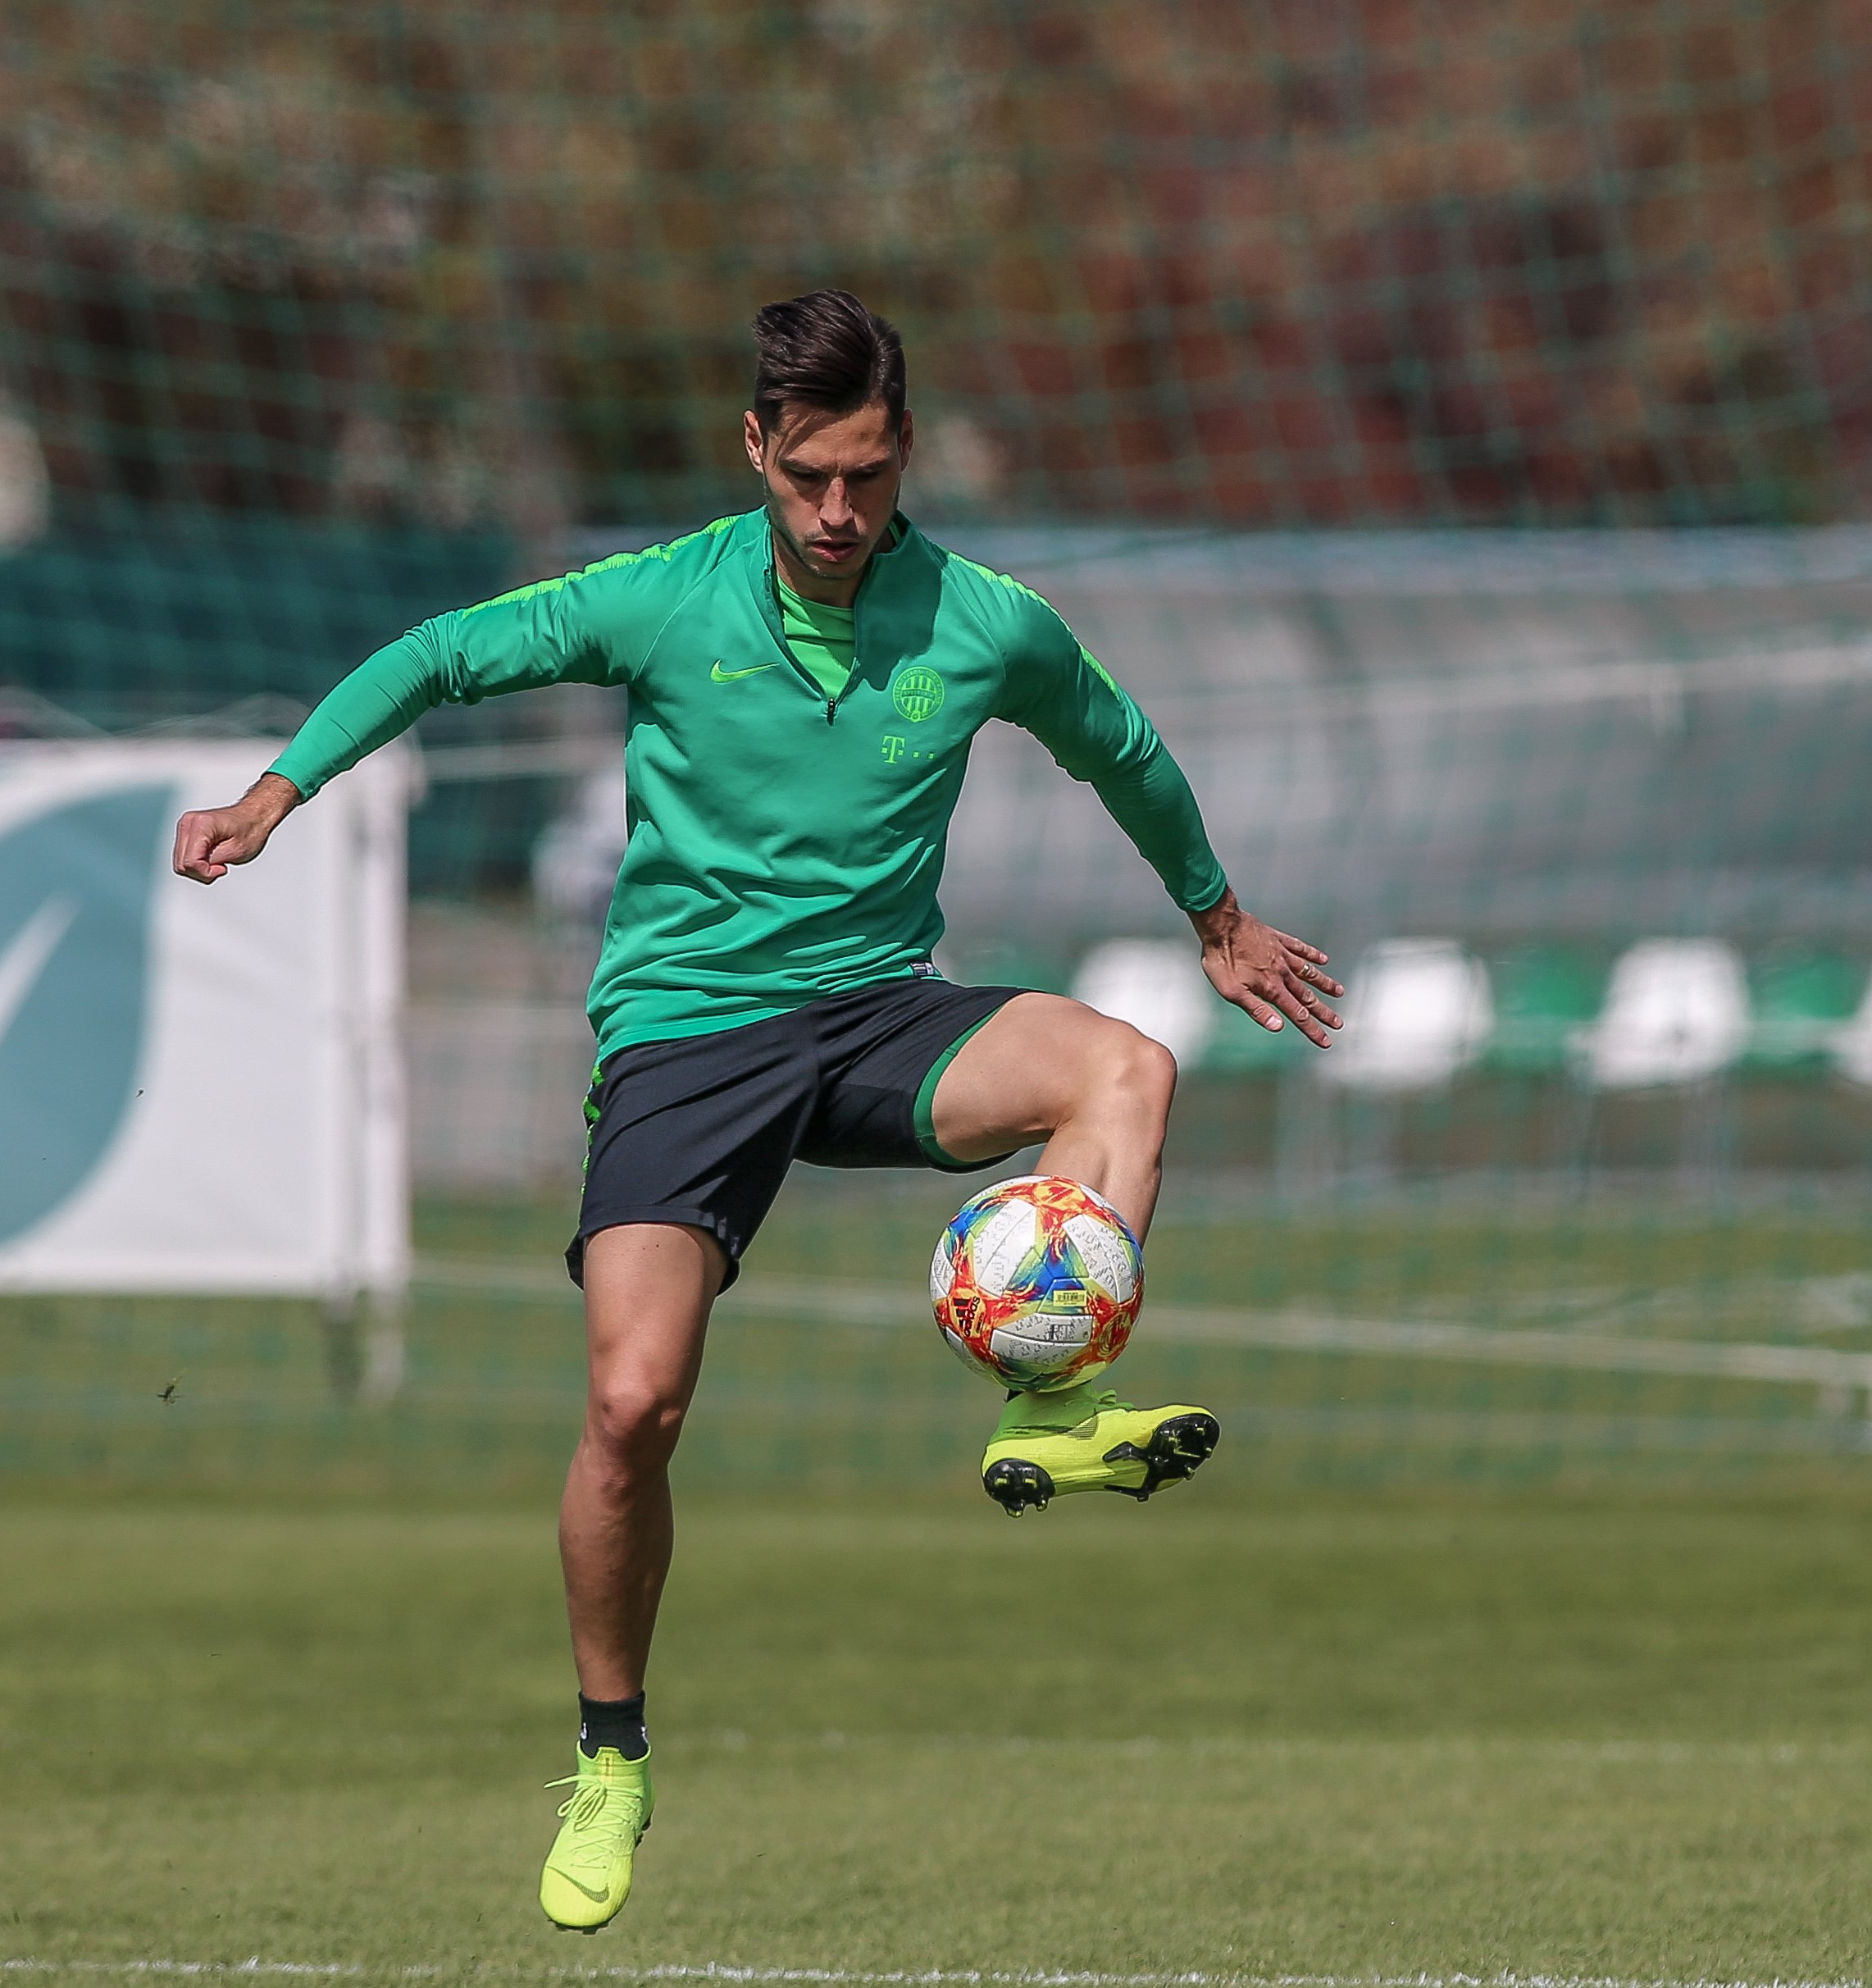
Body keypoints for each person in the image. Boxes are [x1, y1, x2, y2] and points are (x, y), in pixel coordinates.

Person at [170, 290, 1346, 1930]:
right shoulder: (664, 597)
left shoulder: (986, 622)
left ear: (905, 453)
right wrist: (275, 792)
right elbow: (438, 656)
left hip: (877, 1018)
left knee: (1125, 1067)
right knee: (633, 1407)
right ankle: (612, 1756)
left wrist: (1215, 916)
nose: (839, 512)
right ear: (755, 450)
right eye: (808, 478)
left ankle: (1042, 1411)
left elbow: (1123, 748)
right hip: (689, 1035)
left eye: (867, 475)